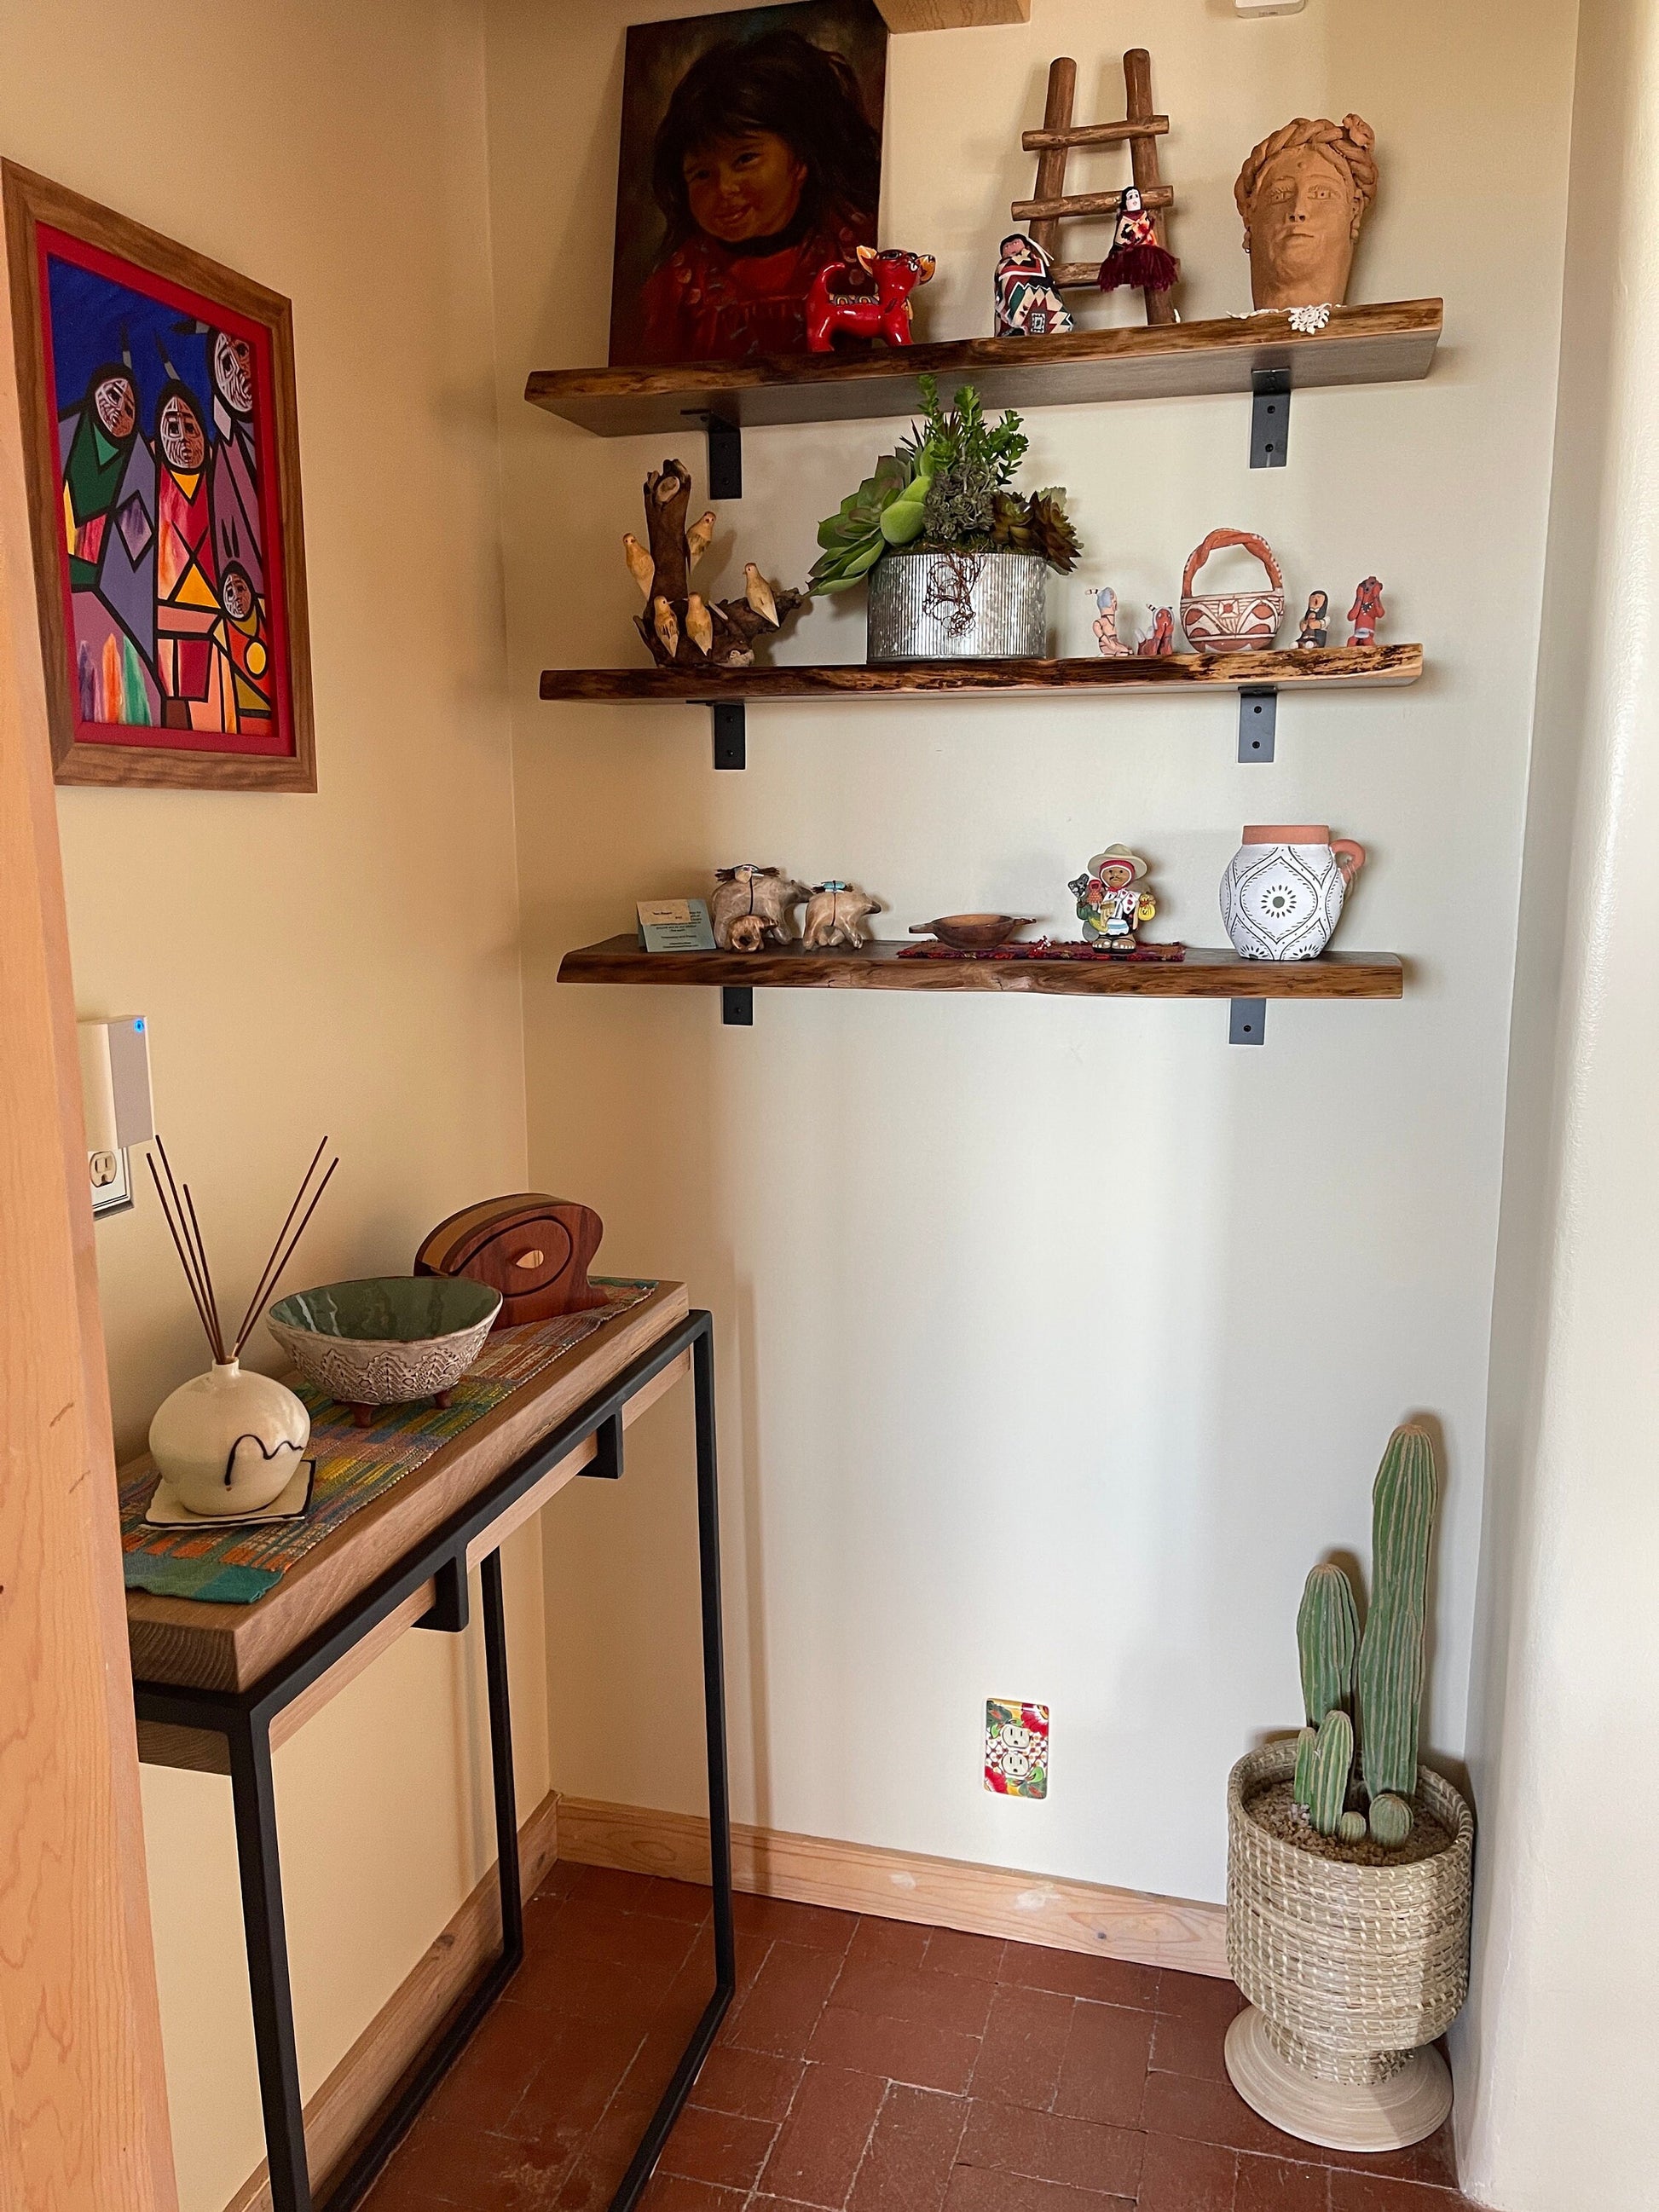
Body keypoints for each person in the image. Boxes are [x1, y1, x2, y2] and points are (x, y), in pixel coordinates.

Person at [637, 29, 882, 363]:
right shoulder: (679, 284)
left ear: (799, 158)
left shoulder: (858, 251)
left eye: (745, 159)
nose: (724, 189)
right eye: (702, 174)